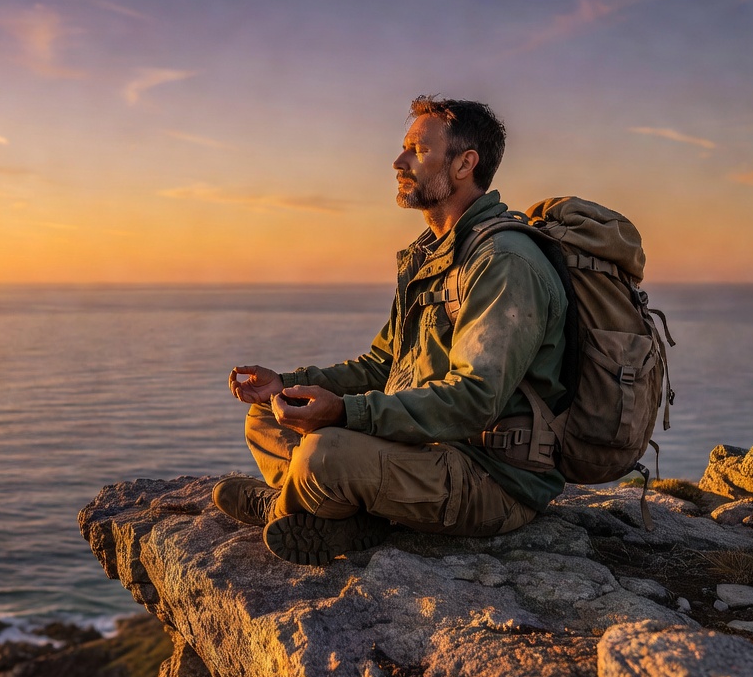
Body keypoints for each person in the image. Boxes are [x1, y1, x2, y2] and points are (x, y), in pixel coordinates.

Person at [215, 96, 569, 565]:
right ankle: (334, 511)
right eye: (404, 149)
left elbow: (474, 399)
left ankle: (286, 506)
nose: (398, 162)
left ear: (465, 164)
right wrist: (290, 382)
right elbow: (385, 363)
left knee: (325, 452)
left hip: (490, 478)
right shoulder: (435, 254)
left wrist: (346, 413)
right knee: (269, 413)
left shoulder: (503, 262)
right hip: (428, 448)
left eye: (417, 151)